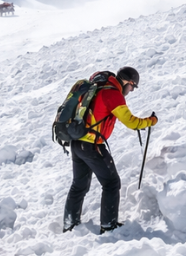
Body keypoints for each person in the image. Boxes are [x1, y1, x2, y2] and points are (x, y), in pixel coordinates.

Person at [62, 66, 157, 234]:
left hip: (77, 143)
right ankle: (108, 226)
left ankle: (70, 223)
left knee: (79, 185)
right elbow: (131, 122)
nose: (132, 90)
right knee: (112, 183)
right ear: (127, 82)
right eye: (132, 86)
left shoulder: (98, 87)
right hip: (91, 146)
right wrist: (150, 121)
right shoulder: (113, 94)